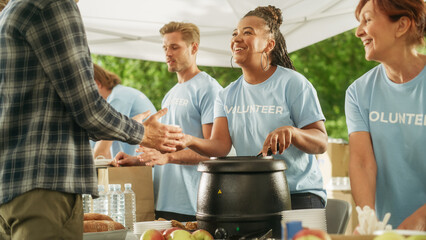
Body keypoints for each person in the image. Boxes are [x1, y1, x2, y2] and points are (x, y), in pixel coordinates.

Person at [0, 0, 182, 239]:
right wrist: (144, 133)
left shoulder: (13, 11)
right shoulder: (53, 5)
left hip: (13, 186)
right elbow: (89, 109)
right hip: (44, 187)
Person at [167, 6, 328, 210]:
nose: (237, 38)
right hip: (253, 194)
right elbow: (220, 146)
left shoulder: (293, 84)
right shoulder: (226, 95)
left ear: (269, 45)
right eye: (235, 33)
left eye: (247, 32)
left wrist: (293, 132)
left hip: (299, 195)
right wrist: (188, 140)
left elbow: (321, 142)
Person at [114, 22, 223, 221]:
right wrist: (138, 160)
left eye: (174, 47)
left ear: (194, 47)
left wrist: (170, 158)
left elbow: (214, 153)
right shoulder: (170, 95)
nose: (167, 53)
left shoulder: (209, 89)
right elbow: (166, 151)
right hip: (162, 202)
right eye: (165, 47)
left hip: (194, 205)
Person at [345, 0, 425, 230]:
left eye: (367, 20)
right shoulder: (358, 93)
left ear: (401, 25)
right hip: (390, 231)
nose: (359, 32)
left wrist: (418, 222)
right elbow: (362, 162)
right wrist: (368, 219)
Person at [91, 63, 157, 159]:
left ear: (97, 84)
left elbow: (100, 152)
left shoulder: (118, 98)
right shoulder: (123, 93)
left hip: (143, 166)